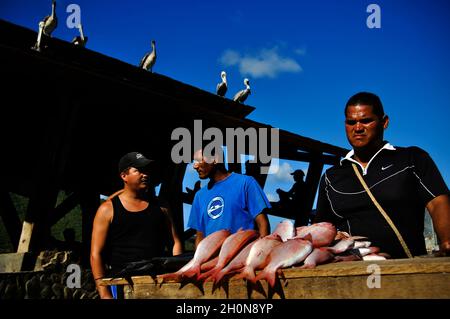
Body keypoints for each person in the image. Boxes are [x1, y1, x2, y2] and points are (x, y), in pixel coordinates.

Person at [315, 92, 450, 258]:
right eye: (351, 122)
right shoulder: (331, 177)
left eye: (366, 120)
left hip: (409, 268)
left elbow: (437, 202)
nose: (357, 128)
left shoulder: (411, 158)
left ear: (384, 122)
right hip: (353, 274)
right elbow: (322, 227)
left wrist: (446, 240)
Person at [90, 152, 183, 299]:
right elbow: (96, 254)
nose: (145, 174)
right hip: (121, 284)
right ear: (124, 176)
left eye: (147, 170)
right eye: (139, 170)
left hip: (157, 284)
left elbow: (175, 241)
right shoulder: (107, 209)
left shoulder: (162, 206)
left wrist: (178, 274)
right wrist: (104, 293)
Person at [188, 148, 271, 248]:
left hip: (241, 259)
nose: (194, 166)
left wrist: (260, 254)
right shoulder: (199, 196)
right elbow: (200, 236)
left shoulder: (246, 183)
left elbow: (263, 224)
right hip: (211, 261)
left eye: (198, 160)